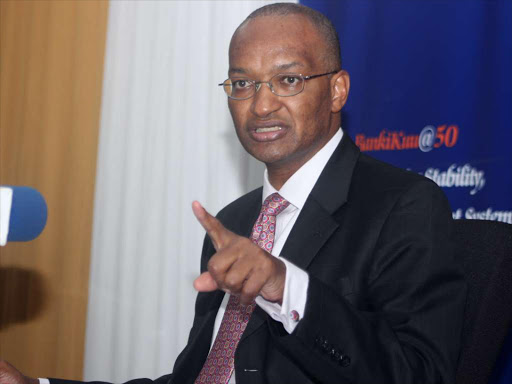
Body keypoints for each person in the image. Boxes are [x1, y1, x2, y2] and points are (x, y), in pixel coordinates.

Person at [0, 3, 466, 384]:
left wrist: (284, 286)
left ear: (338, 90)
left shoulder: (404, 206)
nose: (261, 104)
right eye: (242, 83)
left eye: (289, 80)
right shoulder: (235, 221)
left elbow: (418, 374)